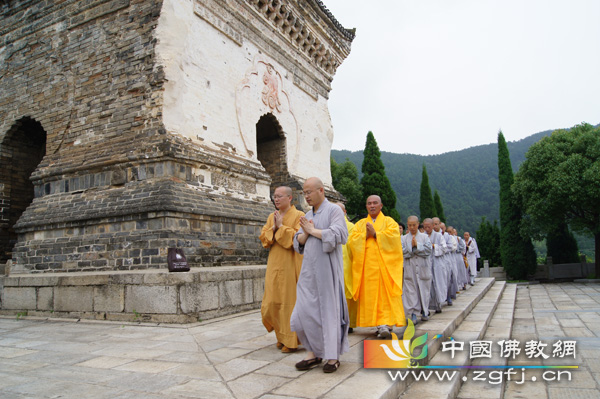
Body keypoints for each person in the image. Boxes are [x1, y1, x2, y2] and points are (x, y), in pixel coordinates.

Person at [292, 177, 349, 373]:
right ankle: (313, 352)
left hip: (327, 270)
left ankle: (332, 357)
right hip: (309, 270)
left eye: (309, 192)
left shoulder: (333, 210)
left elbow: (339, 235)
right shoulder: (307, 214)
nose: (306, 196)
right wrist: (307, 232)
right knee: (304, 311)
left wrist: (312, 230)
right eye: (304, 192)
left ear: (321, 191)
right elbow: (298, 241)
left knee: (328, 311)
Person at [347, 195, 405, 339]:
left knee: (384, 295)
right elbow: (352, 241)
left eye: (375, 203)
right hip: (366, 268)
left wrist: (376, 234)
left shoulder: (389, 222)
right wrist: (365, 236)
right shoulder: (360, 224)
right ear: (366, 206)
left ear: (381, 206)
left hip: (384, 267)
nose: (372, 206)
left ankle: (384, 324)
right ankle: (378, 324)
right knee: (371, 296)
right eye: (369, 203)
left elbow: (394, 238)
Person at [259, 186, 304, 353]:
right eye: (274, 196)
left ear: (290, 198)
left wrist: (281, 228)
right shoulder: (272, 216)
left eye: (279, 196)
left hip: (290, 264)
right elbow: (264, 237)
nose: (276, 199)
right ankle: (280, 336)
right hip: (274, 263)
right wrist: (274, 228)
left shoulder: (299, 216)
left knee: (288, 302)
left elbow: (299, 239)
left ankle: (290, 340)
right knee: (271, 301)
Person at [401, 216, 433, 323]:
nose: (412, 227)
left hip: (422, 267)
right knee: (411, 291)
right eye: (410, 225)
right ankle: (413, 313)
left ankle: (424, 310)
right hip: (410, 268)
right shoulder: (404, 238)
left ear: (418, 224)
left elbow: (428, 250)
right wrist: (412, 247)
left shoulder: (424, 237)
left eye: (414, 225)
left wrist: (417, 246)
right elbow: (402, 252)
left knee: (424, 290)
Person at [336, 202, 357, 333]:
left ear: (344, 212)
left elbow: (355, 246)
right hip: (332, 264)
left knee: (347, 293)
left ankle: (348, 322)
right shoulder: (328, 225)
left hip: (347, 264)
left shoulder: (351, 227)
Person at [423, 218, 446, 313]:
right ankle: (427, 306)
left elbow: (444, 248)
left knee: (438, 283)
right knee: (427, 284)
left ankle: (438, 304)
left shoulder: (439, 236)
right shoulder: (422, 236)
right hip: (426, 263)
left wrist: (433, 246)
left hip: (437, 263)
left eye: (429, 227)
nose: (427, 229)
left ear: (433, 226)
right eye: (425, 227)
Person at [441, 223, 458, 304]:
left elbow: (451, 247)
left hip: (447, 258)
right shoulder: (434, 235)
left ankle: (448, 296)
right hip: (436, 259)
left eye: (442, 228)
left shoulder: (448, 236)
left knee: (448, 279)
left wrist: (441, 249)